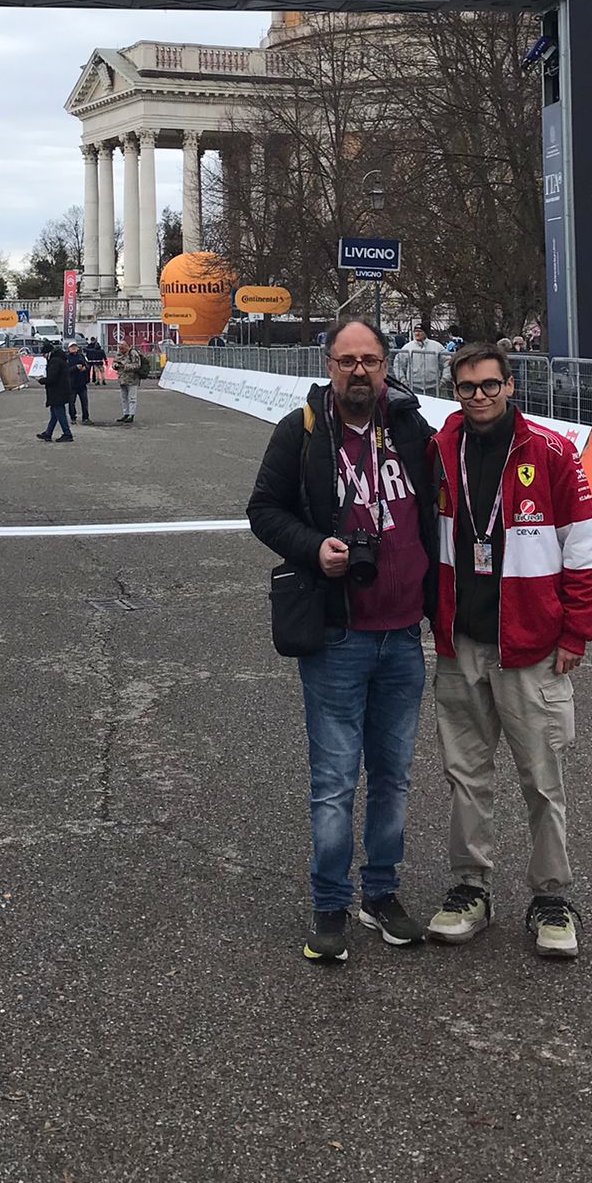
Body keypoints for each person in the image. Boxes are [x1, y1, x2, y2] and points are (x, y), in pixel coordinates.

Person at [246, 319, 438, 964]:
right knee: (333, 781)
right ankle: (329, 903)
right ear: (329, 365)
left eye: (371, 360)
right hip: (338, 634)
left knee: (394, 778)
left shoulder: (412, 427)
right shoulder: (300, 432)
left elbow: (441, 514)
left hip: (404, 635)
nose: (360, 371)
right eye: (347, 360)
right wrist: (313, 548)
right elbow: (264, 509)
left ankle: (381, 894)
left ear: (387, 365)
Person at [427, 342, 592, 961]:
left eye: (489, 385)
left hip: (529, 646)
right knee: (465, 775)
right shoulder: (441, 449)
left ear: (509, 387)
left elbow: (583, 549)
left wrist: (577, 632)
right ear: (455, 391)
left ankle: (552, 897)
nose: (479, 395)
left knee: (542, 777)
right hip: (461, 643)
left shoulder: (551, 452)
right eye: (467, 386)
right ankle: (469, 888)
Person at [392, 324, 448, 397]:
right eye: (415, 331)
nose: (417, 333)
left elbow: (448, 362)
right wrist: (403, 381)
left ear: (425, 333)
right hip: (413, 387)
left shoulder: (437, 346)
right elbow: (398, 364)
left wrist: (444, 379)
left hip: (433, 387)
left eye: (420, 331)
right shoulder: (407, 347)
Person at [37, 341, 74, 442]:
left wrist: (41, 380)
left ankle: (67, 433)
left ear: (48, 353)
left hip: (57, 391)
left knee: (59, 412)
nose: (44, 357)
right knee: (54, 413)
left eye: (44, 354)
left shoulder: (54, 361)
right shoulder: (61, 359)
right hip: (61, 389)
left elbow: (52, 378)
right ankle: (48, 433)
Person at [113, 340, 144, 423]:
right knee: (123, 398)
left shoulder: (133, 353)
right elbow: (114, 362)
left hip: (132, 379)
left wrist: (125, 366)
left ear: (127, 346)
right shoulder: (118, 353)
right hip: (122, 378)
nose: (121, 350)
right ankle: (125, 413)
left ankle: (131, 414)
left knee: (132, 398)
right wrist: (115, 366)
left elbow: (137, 365)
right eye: (120, 348)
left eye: (123, 348)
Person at [66, 339, 91, 424]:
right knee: (71, 403)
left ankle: (86, 418)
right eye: (71, 347)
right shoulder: (66, 358)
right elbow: (66, 370)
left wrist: (85, 368)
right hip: (71, 384)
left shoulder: (81, 356)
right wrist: (75, 368)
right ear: (68, 348)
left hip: (82, 383)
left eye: (75, 347)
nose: (73, 348)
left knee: (84, 402)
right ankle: (73, 418)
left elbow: (87, 365)